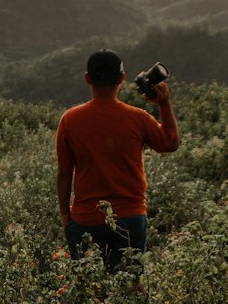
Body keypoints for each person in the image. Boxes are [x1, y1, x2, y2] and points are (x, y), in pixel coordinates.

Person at [55, 49, 180, 270]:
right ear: (121, 79)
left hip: (85, 220)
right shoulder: (138, 118)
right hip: (130, 218)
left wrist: (67, 217)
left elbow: (64, 173)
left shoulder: (70, 120)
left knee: (89, 292)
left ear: (87, 79)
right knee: (129, 290)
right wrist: (164, 103)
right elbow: (170, 143)